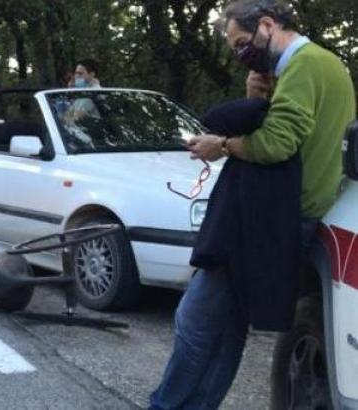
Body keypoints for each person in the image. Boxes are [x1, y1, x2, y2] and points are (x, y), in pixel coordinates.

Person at [150, 1, 356, 408]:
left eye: (243, 43)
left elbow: (278, 144)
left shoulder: (305, 64)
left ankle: (165, 405)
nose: (242, 54)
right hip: (282, 215)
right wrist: (254, 94)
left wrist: (221, 145)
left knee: (193, 322)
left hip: (268, 217)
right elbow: (288, 132)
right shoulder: (321, 66)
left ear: (267, 24)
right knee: (227, 327)